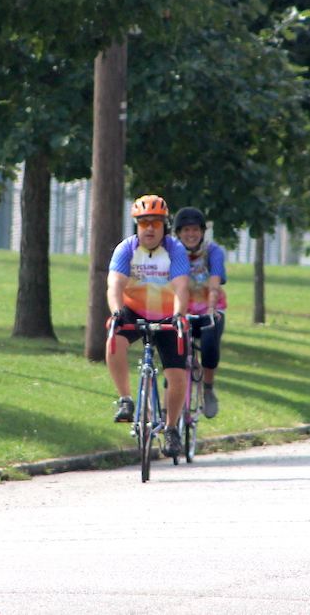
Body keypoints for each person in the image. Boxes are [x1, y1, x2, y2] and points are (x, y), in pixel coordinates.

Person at [107, 195, 191, 458]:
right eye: (144, 223)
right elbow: (115, 285)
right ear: (137, 225)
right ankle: (126, 400)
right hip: (134, 310)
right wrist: (117, 312)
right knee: (114, 340)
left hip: (168, 315)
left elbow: (181, 287)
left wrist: (178, 314)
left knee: (177, 375)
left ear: (164, 225)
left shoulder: (175, 249)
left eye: (156, 222)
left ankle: (171, 428)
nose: (150, 228)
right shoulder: (126, 249)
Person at [173, 206, 228, 420]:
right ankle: (172, 398)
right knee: (173, 354)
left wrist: (212, 309)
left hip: (209, 310)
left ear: (202, 231)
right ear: (178, 233)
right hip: (181, 311)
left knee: (209, 342)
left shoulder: (213, 251)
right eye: (185, 230)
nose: (191, 234)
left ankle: (208, 389)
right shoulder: (171, 252)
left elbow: (215, 282)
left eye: (195, 229)